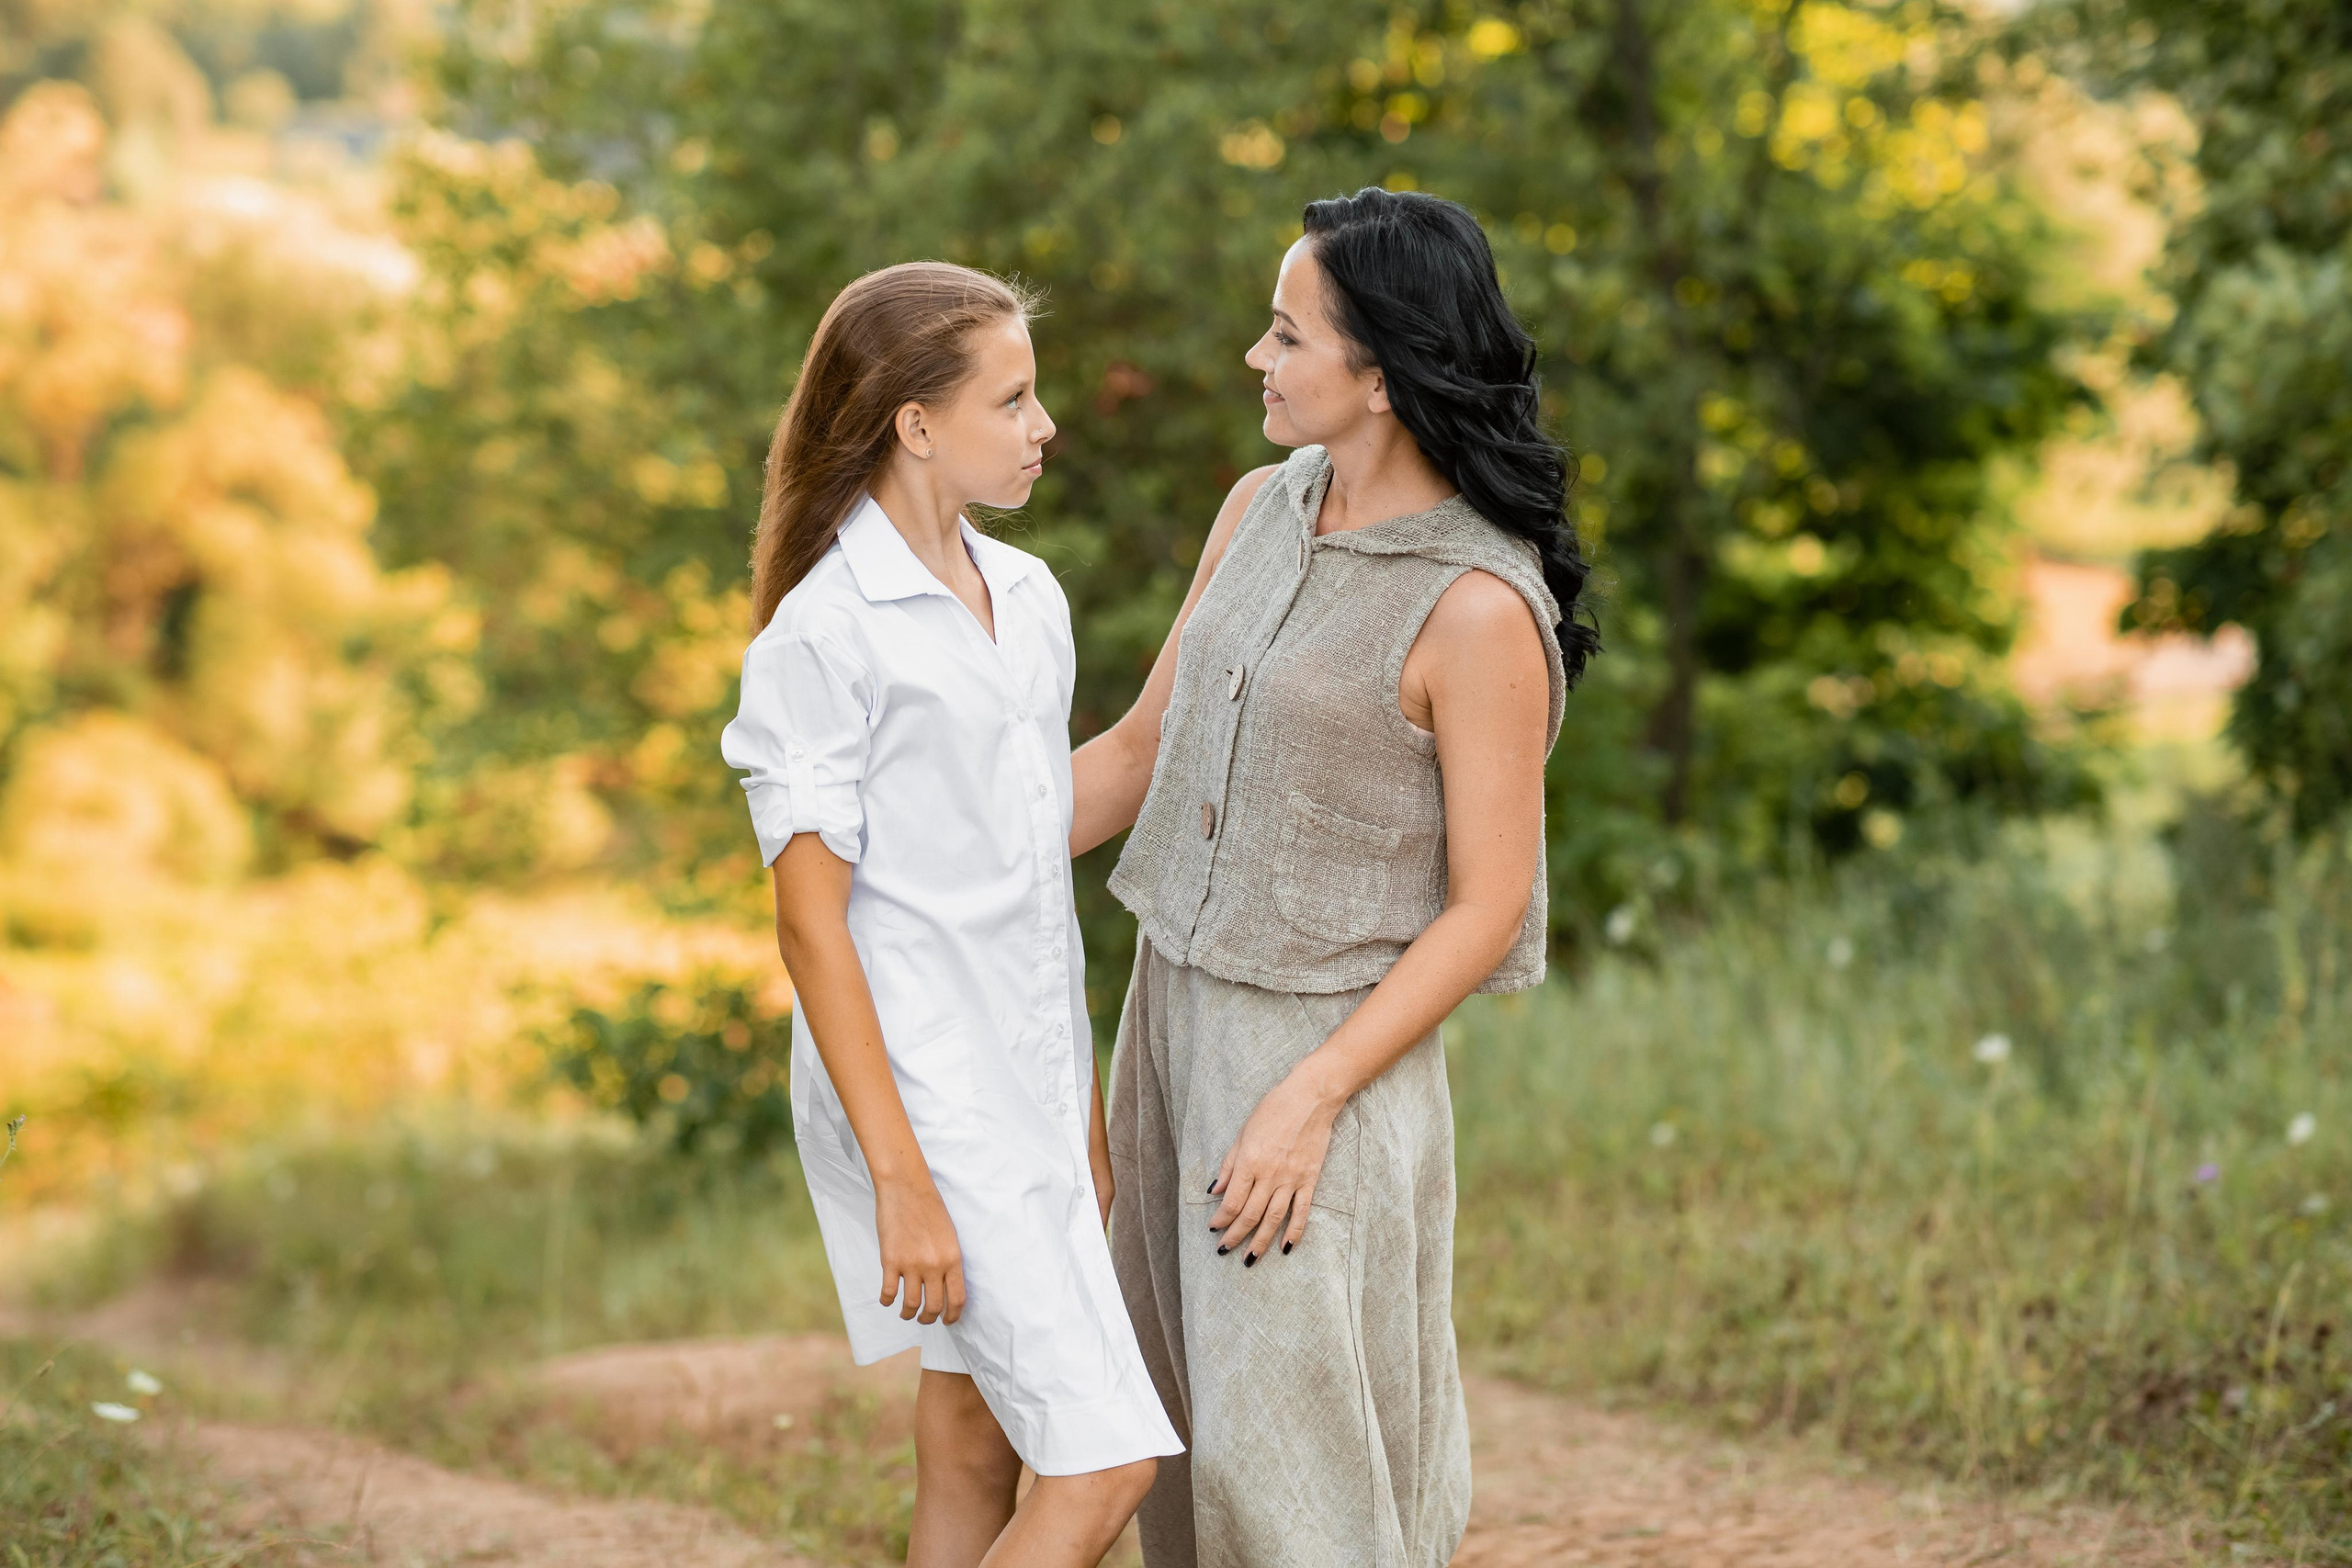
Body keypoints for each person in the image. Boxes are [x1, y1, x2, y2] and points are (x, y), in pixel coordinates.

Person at [1069, 187, 1599, 1566]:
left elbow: (1487, 910)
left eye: (1285, 333)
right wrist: (911, 856)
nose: (1257, 357)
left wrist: (1305, 1101)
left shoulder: (1474, 605)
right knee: (1172, 1425)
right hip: (1170, 1020)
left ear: (1381, 371)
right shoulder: (1259, 505)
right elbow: (1135, 754)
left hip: (1319, 1060)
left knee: (1293, 1461)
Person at [721, 261, 1182, 1568]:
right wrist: (904, 1181)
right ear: (918, 423)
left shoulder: (1029, 600)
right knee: (1106, 1463)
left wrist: (1077, 1109)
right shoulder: (821, 640)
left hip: (1020, 1075)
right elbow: (811, 927)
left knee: (977, 1429)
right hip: (918, 1092)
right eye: (1014, 399)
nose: (1046, 427)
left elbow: (1036, 883)